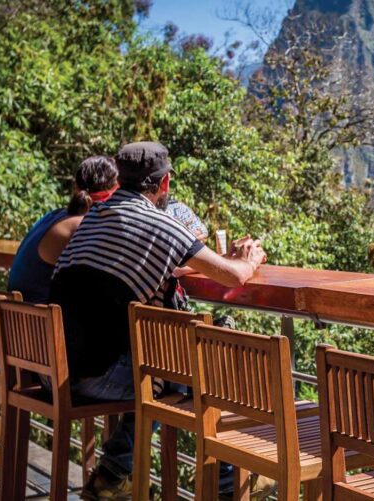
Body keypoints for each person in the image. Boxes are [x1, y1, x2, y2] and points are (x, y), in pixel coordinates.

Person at [49, 141, 265, 499]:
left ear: (119, 180)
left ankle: (115, 475)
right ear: (164, 184)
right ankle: (231, 483)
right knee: (199, 371)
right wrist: (251, 256)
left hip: (57, 370)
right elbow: (234, 276)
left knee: (167, 370)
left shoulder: (92, 220)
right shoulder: (163, 224)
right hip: (93, 378)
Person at [7, 156, 118, 303]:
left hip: (16, 318)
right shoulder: (81, 226)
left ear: (76, 186)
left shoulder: (54, 215)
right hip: (40, 320)